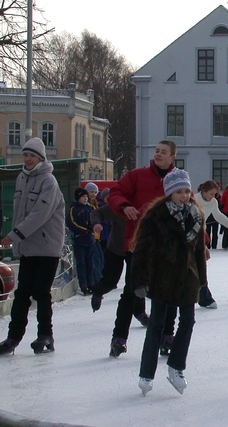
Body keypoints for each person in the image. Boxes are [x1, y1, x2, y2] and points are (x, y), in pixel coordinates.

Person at [133, 168, 207, 396]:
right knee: (156, 325)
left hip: (187, 278)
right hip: (161, 278)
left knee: (188, 321)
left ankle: (176, 366)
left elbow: (198, 252)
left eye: (187, 191)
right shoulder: (156, 216)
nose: (184, 196)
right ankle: (146, 373)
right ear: (169, 193)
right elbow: (141, 250)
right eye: (179, 192)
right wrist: (140, 280)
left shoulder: (196, 214)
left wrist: (202, 280)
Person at [105, 140, 177, 357]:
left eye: (163, 152)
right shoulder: (136, 176)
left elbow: (190, 208)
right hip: (138, 244)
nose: (158, 154)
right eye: (156, 151)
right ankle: (119, 337)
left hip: (166, 246)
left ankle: (166, 334)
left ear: (173, 157)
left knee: (167, 291)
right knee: (131, 290)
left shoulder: (177, 179)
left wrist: (200, 241)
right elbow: (116, 193)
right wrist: (124, 206)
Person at [0, 138, 65, 356]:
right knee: (22, 292)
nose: (27, 159)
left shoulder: (48, 181)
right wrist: (17, 236)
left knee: (41, 292)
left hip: (47, 246)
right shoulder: (21, 179)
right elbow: (18, 213)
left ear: (40, 158)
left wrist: (15, 234)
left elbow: (40, 215)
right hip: (27, 246)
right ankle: (13, 336)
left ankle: (45, 334)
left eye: (32, 155)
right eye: (25, 155)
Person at [89, 189, 146, 320]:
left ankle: (140, 312)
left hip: (135, 250)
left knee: (136, 282)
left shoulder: (144, 207)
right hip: (116, 249)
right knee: (111, 280)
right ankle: (98, 291)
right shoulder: (119, 208)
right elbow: (96, 212)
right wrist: (96, 223)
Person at [195, 179, 228, 309]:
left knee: (200, 268)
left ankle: (204, 298)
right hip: (189, 237)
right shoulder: (193, 200)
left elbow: (218, 216)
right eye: (211, 194)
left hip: (200, 237)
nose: (213, 197)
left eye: (215, 194)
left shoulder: (213, 202)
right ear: (204, 191)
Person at [66, 187, 95, 295]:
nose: (85, 198)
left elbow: (94, 219)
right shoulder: (74, 209)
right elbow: (71, 223)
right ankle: (83, 284)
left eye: (86, 196)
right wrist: (83, 231)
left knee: (90, 263)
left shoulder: (90, 208)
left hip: (89, 240)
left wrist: (91, 228)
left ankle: (91, 283)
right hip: (79, 240)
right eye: (83, 196)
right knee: (81, 263)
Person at [85, 182, 104, 288]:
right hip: (91, 236)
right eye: (91, 192)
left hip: (97, 236)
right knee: (95, 259)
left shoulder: (95, 204)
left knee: (100, 258)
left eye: (95, 192)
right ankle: (96, 281)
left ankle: (99, 280)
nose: (93, 194)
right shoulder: (88, 206)